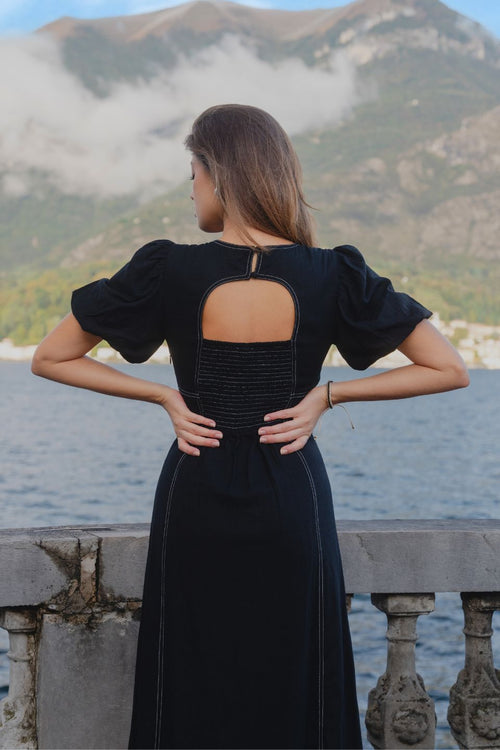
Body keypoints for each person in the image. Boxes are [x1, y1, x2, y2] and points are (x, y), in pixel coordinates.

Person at [31, 103, 469, 750]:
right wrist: (328, 397)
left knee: (191, 675)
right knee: (295, 677)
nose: (191, 189)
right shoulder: (333, 275)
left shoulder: (167, 268)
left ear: (221, 174)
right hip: (291, 493)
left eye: (194, 172)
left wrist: (163, 399)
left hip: (195, 490)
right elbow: (449, 368)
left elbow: (49, 357)